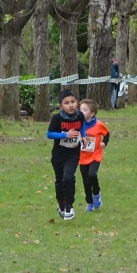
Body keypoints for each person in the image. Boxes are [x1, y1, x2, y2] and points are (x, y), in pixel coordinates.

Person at [46, 89, 84, 220]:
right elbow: (49, 134)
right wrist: (65, 135)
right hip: (58, 155)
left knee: (68, 177)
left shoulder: (80, 116)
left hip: (73, 153)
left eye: (73, 102)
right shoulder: (57, 118)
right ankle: (61, 203)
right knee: (60, 180)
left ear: (77, 103)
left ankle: (69, 205)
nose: (71, 105)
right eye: (67, 103)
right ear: (60, 106)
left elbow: (82, 127)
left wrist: (83, 137)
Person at [78, 99, 110, 212]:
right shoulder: (78, 124)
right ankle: (89, 203)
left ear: (92, 113)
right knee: (86, 182)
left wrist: (104, 143)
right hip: (82, 158)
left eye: (84, 110)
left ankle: (96, 194)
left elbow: (107, 134)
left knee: (92, 175)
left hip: (95, 156)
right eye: (80, 109)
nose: (81, 112)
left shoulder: (98, 125)